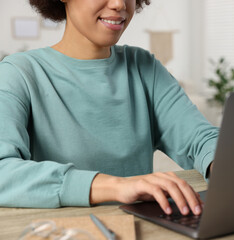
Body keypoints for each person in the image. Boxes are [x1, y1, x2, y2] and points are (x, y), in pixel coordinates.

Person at [0, 0, 218, 216]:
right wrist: (116, 186)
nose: (119, 4)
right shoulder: (18, 74)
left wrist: (224, 163)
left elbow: (199, 139)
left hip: (140, 229)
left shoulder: (144, 68)